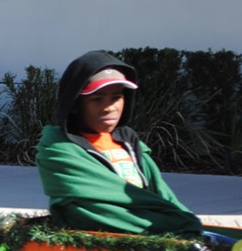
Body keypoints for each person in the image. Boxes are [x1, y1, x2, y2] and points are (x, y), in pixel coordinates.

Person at [36, 51, 204, 237]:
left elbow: (163, 196)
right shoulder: (59, 149)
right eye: (97, 99)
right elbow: (87, 211)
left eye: (116, 97)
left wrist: (183, 219)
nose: (110, 107)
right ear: (75, 105)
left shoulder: (130, 143)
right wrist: (166, 224)